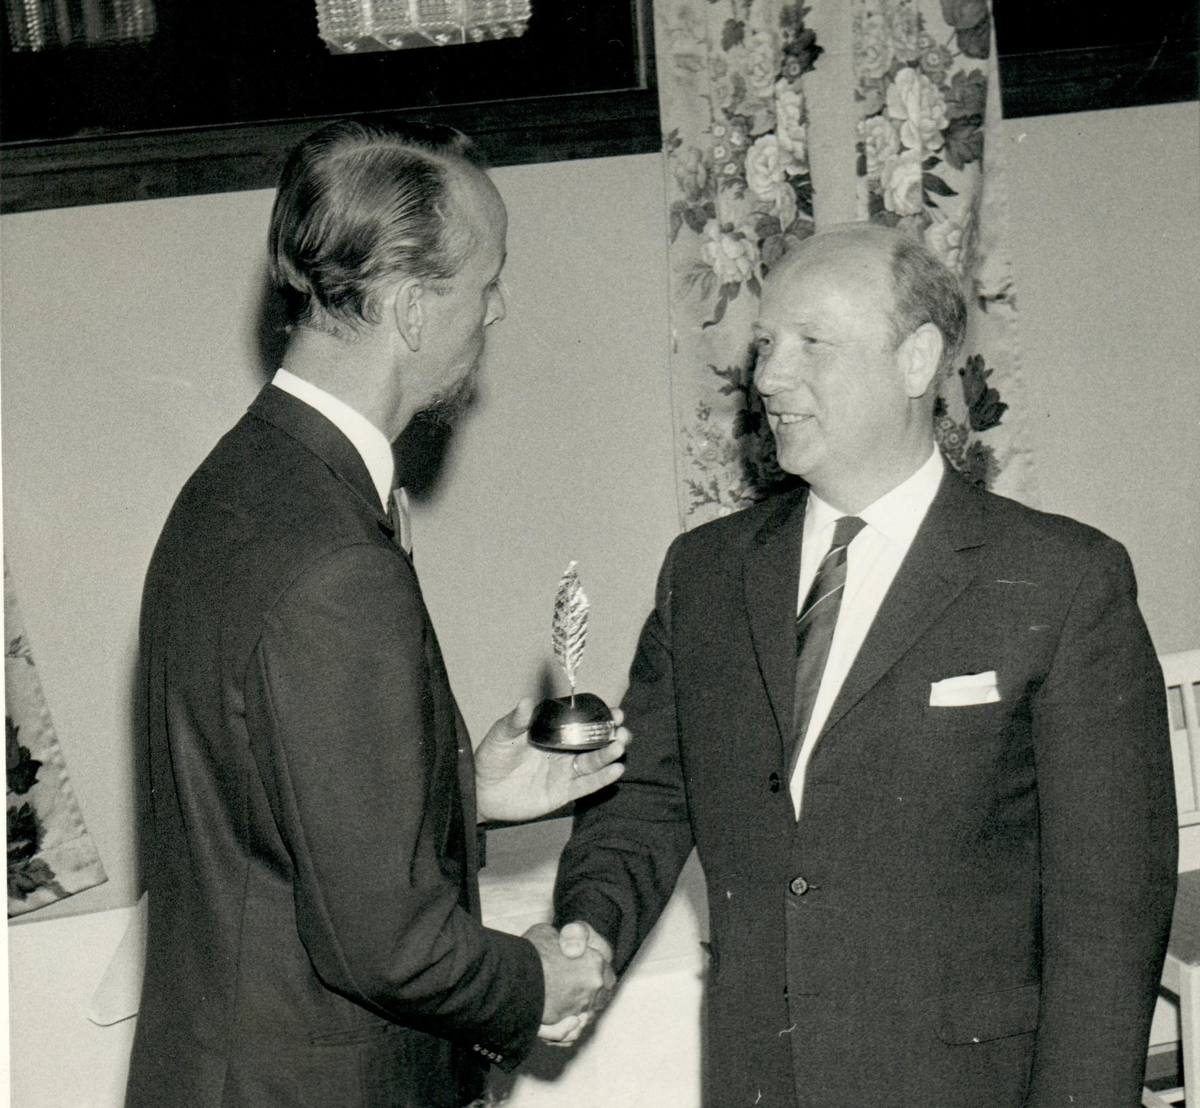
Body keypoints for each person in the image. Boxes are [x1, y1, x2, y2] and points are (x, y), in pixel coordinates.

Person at [552, 224, 1177, 1107]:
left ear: (916, 360)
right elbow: (645, 799)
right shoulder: (705, 573)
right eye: (766, 344)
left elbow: (1109, 917)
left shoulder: (1063, 581)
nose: (769, 377)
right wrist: (586, 930)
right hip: (762, 1079)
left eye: (812, 343)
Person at [126, 118, 624, 1108]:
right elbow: (389, 944)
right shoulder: (338, 560)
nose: (499, 307)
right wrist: (538, 982)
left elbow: (267, 809)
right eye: (486, 281)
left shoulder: (238, 484)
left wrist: (459, 787)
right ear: (409, 308)